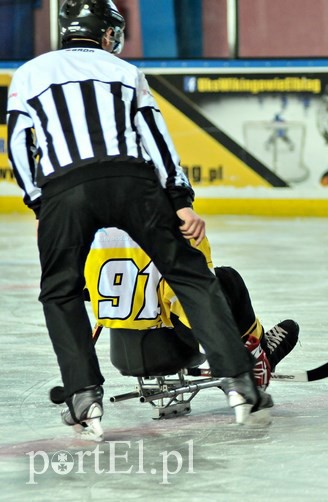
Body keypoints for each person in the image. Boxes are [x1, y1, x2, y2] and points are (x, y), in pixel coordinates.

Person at [6, 0, 268, 440]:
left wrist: (39, 203)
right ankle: (239, 382)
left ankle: (83, 395)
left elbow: (18, 144)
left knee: (60, 291)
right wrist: (181, 201)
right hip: (133, 181)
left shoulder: (29, 72)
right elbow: (158, 142)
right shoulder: (125, 73)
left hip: (65, 190)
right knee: (189, 274)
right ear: (106, 33)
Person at [83, 227, 299, 392]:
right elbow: (195, 303)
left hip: (122, 351)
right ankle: (257, 354)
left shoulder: (90, 231)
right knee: (227, 279)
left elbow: (81, 291)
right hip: (172, 348)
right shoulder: (178, 230)